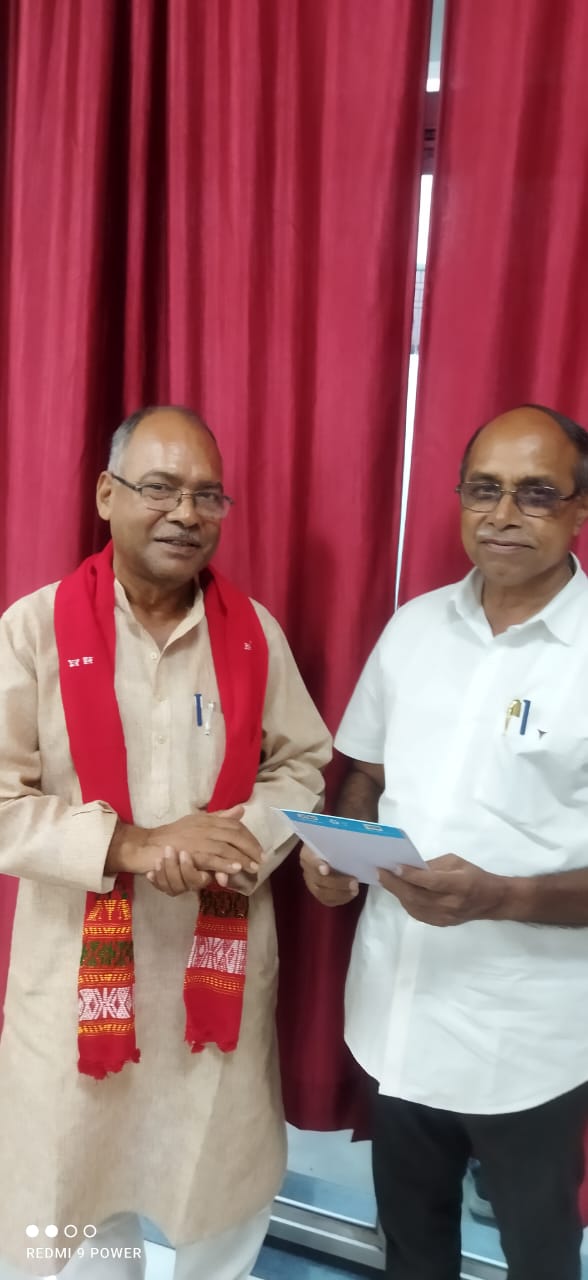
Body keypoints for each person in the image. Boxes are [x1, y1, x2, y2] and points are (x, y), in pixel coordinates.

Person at [0, 405, 331, 1280]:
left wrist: (238, 841)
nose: (186, 513)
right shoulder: (32, 631)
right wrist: (133, 845)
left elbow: (301, 764)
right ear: (106, 495)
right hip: (74, 986)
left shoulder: (253, 634)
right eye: (160, 488)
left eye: (207, 495)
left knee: (218, 1198)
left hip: (211, 986)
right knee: (72, 1207)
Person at [301, 404, 588, 1280]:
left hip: (526, 1040)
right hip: (397, 1011)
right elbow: (367, 771)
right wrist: (341, 850)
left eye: (535, 493)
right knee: (412, 1249)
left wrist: (502, 896)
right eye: (483, 489)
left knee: (539, 1256)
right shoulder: (414, 628)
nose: (502, 514)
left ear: (580, 510)